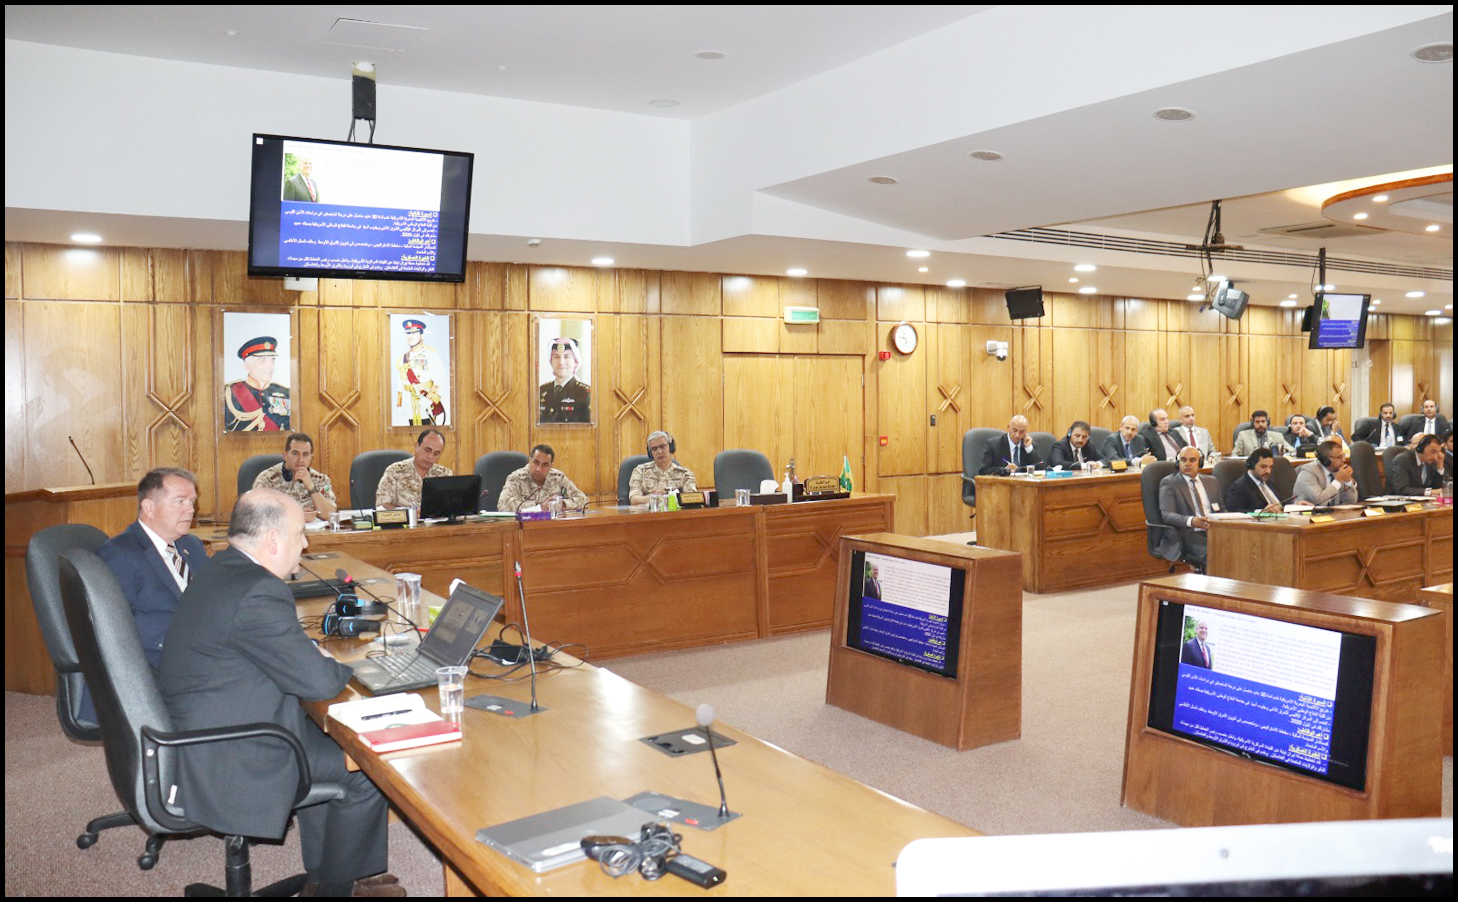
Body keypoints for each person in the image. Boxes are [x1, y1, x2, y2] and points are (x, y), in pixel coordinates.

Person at [157, 490, 402, 897]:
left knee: (327, 739)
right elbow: (321, 683)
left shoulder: (224, 569)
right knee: (366, 763)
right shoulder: (258, 592)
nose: (305, 544)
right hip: (229, 752)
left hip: (206, 726)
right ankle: (341, 888)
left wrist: (306, 653)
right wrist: (336, 661)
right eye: (299, 534)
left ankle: (324, 877)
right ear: (272, 541)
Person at [83, 467, 208, 723]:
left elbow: (211, 601)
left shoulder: (191, 546)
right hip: (158, 663)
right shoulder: (120, 554)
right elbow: (112, 631)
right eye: (180, 501)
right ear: (149, 508)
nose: (190, 509)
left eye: (192, 502)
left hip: (199, 650)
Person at [1156, 446, 1221, 570]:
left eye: (1192, 460)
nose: (1187, 464)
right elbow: (1167, 515)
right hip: (1187, 535)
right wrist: (1192, 521)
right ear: (1178, 463)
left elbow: (1221, 509)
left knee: (1239, 549)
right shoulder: (1169, 483)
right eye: (1183, 460)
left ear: (1200, 463)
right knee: (1214, 554)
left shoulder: (1211, 481)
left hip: (1214, 531)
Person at [251, 431, 337, 521]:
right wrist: (296, 515)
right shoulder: (267, 479)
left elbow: (330, 515)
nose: (301, 459)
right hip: (279, 533)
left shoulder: (321, 480)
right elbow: (257, 513)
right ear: (285, 455)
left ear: (312, 457)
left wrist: (311, 486)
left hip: (313, 533)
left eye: (305, 454)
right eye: (295, 453)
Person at [223, 336, 290, 432]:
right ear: (247, 366)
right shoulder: (228, 394)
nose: (270, 366)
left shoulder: (286, 393)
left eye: (272, 360)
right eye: (262, 361)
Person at [497, 444, 589, 511]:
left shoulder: (558, 477)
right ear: (530, 460)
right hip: (524, 528)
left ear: (551, 466)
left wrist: (563, 505)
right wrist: (539, 507)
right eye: (535, 462)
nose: (539, 469)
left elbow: (583, 499)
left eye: (545, 465)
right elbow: (502, 505)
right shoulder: (516, 478)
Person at [376, 429, 452, 510]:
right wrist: (409, 513)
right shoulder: (395, 471)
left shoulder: (445, 475)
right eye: (427, 450)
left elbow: (451, 508)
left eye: (436, 454)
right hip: (403, 522)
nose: (430, 456)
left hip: (434, 522)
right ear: (416, 446)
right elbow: (382, 506)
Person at [395, 319, 448, 426]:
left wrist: (429, 400)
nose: (410, 336)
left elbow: (440, 381)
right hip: (409, 405)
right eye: (408, 333)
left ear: (422, 335)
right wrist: (399, 404)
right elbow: (400, 383)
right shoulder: (403, 358)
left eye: (414, 333)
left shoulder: (431, 355)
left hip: (425, 403)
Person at [628, 430, 697, 505]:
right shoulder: (640, 471)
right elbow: (634, 500)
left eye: (662, 446)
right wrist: (654, 498)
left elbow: (692, 499)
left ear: (670, 447)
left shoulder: (685, 474)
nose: (659, 452)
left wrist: (669, 498)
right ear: (650, 453)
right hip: (648, 514)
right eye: (654, 449)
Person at [538, 337, 591, 423]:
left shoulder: (585, 393)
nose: (561, 362)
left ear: (575, 362)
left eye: (567, 357)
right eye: (556, 357)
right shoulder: (541, 391)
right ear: (551, 361)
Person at [1292, 440, 1358, 505]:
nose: (1343, 460)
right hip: (1308, 514)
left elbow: (1352, 501)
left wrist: (1347, 481)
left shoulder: (1337, 470)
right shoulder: (1308, 471)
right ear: (1326, 460)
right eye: (1339, 457)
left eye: (1343, 455)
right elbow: (1320, 501)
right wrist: (1338, 481)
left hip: (1334, 513)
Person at [1223, 448, 1284, 514]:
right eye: (1263, 467)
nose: (1268, 471)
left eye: (1270, 467)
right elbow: (1234, 512)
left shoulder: (1271, 483)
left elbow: (1283, 504)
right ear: (1252, 465)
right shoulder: (1238, 488)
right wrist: (1260, 512)